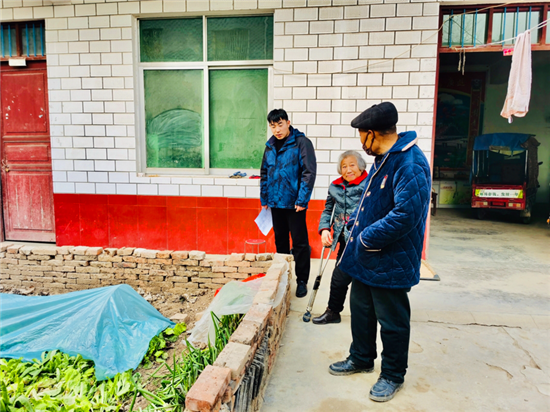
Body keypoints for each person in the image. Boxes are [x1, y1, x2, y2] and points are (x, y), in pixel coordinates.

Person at [329, 102, 431, 402]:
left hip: (391, 258)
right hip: (368, 256)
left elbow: (406, 214)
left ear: (372, 133)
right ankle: (361, 358)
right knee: (361, 309)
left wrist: (365, 238)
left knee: (392, 321)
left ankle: (392, 375)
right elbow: (371, 200)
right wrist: (355, 226)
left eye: (363, 136)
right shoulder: (384, 159)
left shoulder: (409, 163)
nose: (361, 143)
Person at [260, 109, 316, 298]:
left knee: (300, 243)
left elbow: (309, 172)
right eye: (273, 126)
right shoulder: (269, 146)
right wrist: (264, 198)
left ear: (288, 123)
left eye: (280, 124)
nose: (277, 129)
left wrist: (302, 199)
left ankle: (302, 281)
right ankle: (283, 277)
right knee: (280, 241)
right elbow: (264, 173)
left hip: (295, 204)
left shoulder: (301, 143)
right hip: (275, 202)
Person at [312, 151, 368, 325]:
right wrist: (324, 229)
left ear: (360, 167)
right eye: (344, 166)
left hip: (364, 240)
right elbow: (328, 210)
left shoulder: (370, 184)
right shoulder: (335, 186)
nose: (348, 169)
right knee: (339, 277)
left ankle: (352, 314)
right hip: (344, 239)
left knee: (359, 280)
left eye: (352, 165)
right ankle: (333, 312)